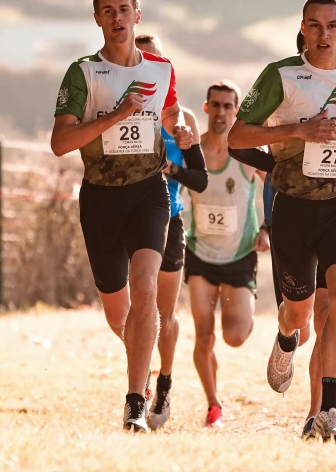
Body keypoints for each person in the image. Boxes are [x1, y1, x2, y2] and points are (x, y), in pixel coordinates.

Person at [228, 0, 336, 443]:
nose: (324, 33)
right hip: (293, 209)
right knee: (301, 317)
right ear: (303, 28)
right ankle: (286, 339)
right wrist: (298, 130)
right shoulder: (281, 76)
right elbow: (237, 136)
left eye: (332, 25)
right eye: (315, 25)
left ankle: (329, 412)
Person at [50, 0, 194, 433]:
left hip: (150, 193)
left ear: (137, 15)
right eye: (107, 11)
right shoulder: (83, 73)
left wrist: (183, 129)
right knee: (120, 315)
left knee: (146, 288)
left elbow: (170, 112)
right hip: (100, 198)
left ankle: (135, 403)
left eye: (124, 9)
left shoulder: (160, 69)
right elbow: (60, 143)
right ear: (97, 19)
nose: (117, 18)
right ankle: (142, 367)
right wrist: (115, 117)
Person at [133, 33, 208, 430]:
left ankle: (162, 383)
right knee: (133, 311)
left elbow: (201, 180)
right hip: (128, 216)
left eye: (156, 62)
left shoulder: (184, 119)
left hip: (171, 218)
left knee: (164, 311)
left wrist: (174, 166)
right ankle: (139, 384)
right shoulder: (122, 109)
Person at [186, 80, 271, 428]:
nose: (221, 113)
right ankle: (213, 406)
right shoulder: (193, 152)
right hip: (199, 254)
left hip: (239, 257)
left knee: (233, 336)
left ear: (236, 112)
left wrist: (268, 228)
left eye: (228, 107)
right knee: (204, 336)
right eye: (215, 105)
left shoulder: (246, 154)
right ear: (206, 109)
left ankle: (239, 312)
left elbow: (276, 189)